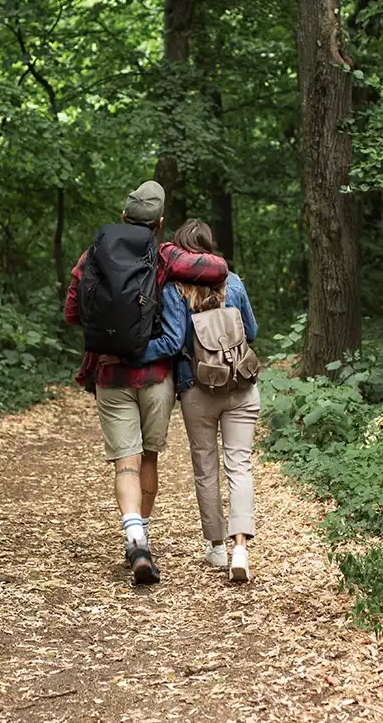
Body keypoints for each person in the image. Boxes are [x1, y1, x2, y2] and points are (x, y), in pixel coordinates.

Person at [64, 182, 228, 585]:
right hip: (156, 377)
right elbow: (217, 270)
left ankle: (134, 535)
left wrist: (110, 335)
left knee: (126, 461)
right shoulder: (164, 254)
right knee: (149, 458)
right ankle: (141, 537)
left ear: (123, 217)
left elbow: (72, 312)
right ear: (160, 222)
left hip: (110, 373)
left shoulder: (92, 256)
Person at [140, 219, 260, 582]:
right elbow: (251, 331)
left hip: (198, 389)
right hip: (240, 384)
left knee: (205, 469)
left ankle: (217, 547)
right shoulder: (234, 282)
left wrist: (134, 352)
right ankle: (241, 547)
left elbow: (175, 343)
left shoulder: (175, 289)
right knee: (239, 466)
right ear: (210, 247)